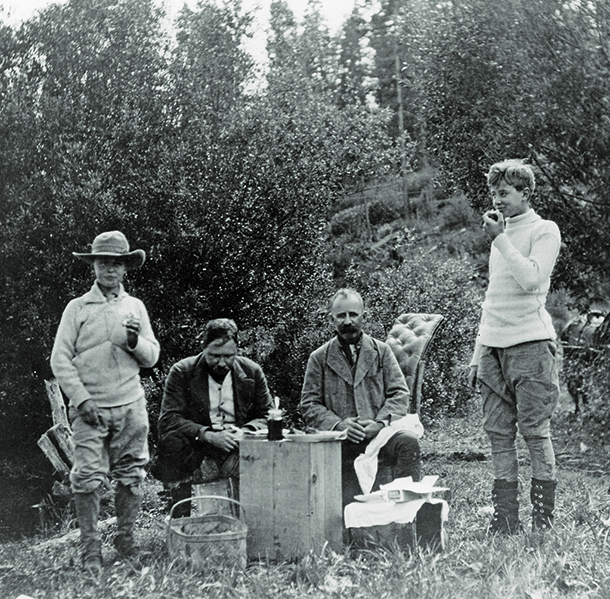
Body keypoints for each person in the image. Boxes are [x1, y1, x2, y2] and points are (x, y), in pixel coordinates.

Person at [50, 231, 160, 579]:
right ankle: (91, 550)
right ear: (93, 266)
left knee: (131, 476)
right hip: (90, 410)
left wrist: (133, 341)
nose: (109, 270)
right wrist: (81, 400)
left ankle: (127, 543)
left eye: (116, 263)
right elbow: (60, 360)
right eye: (102, 263)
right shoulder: (77, 309)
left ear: (126, 267)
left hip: (130, 406)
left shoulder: (135, 307)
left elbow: (152, 357)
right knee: (87, 480)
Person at [468, 159, 561, 534]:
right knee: (498, 433)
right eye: (494, 193)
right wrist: (478, 353)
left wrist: (500, 239)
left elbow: (531, 281)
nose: (498, 199)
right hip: (493, 348)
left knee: (535, 432)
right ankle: (505, 520)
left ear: (526, 192)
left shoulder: (544, 230)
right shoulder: (500, 238)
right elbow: (494, 297)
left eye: (504, 192)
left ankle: (542, 522)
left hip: (532, 345)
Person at [300, 288, 421, 506]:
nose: (348, 321)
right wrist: (338, 425)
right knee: (350, 503)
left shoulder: (382, 351)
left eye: (353, 314)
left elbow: (400, 393)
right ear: (332, 320)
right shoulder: (319, 358)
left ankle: (408, 510)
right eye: (341, 316)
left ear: (364, 316)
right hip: (340, 441)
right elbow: (309, 405)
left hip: (379, 437)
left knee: (407, 443)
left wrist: (380, 422)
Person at [152, 318, 273, 514]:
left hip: (239, 446)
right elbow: (168, 419)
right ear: (203, 348)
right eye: (214, 356)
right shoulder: (182, 371)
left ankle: (259, 518)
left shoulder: (252, 371)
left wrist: (245, 432)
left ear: (237, 351)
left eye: (228, 356)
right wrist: (207, 434)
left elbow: (267, 414)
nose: (221, 363)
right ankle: (180, 517)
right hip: (199, 448)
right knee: (172, 442)